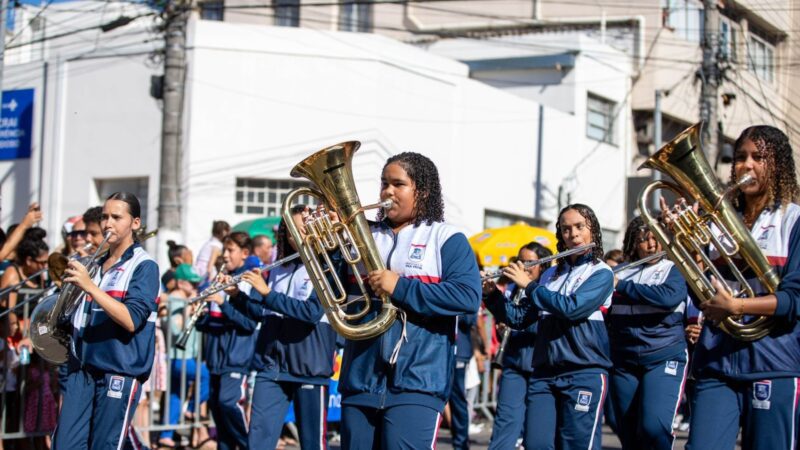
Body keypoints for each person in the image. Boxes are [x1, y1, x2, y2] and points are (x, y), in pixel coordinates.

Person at [660, 126, 800, 450]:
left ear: (777, 165)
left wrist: (738, 308)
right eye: (739, 157)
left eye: (758, 157)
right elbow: (702, 295)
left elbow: (795, 299)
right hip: (716, 359)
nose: (746, 165)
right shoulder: (715, 221)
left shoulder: (792, 220)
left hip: (773, 359)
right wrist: (688, 252)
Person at [332, 152, 481, 449]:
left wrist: (399, 287)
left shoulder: (446, 238)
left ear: (422, 192)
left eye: (398, 184)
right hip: (361, 377)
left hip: (418, 382)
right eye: (384, 183)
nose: (387, 191)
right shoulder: (361, 236)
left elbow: (467, 297)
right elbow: (336, 293)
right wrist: (331, 246)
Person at [486, 204, 614, 450]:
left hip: (583, 370)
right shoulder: (549, 275)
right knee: (537, 444)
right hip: (545, 373)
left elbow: (572, 308)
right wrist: (492, 297)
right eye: (566, 229)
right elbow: (519, 318)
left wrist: (529, 286)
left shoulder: (601, 273)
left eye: (579, 227)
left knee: (574, 445)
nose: (573, 234)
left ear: (593, 231)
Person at [51, 192, 160, 449]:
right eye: (104, 217)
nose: (107, 223)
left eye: (116, 217)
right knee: (64, 444)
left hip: (118, 369)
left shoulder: (144, 266)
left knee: (104, 445)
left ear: (135, 223)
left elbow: (132, 319)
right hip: (83, 369)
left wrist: (90, 288)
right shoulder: (94, 265)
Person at [237, 205, 337, 450]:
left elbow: (312, 313)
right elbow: (260, 313)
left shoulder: (327, 267)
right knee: (257, 440)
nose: (299, 237)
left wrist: (267, 293)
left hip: (309, 366)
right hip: (272, 366)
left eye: (304, 230)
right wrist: (234, 296)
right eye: (292, 231)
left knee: (313, 443)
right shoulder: (277, 268)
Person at [608, 216, 688, 450]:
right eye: (644, 240)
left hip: (663, 355)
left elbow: (667, 297)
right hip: (623, 358)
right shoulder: (620, 271)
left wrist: (621, 286)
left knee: (653, 427)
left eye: (657, 238)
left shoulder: (674, 268)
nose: (652, 245)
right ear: (633, 243)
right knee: (621, 424)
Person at [195, 231, 260, 450]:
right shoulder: (218, 278)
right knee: (217, 410)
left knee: (228, 402)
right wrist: (200, 316)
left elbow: (249, 323)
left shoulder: (248, 281)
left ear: (244, 253)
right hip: (215, 357)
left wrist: (223, 302)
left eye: (230, 250)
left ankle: (250, 445)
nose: (224, 255)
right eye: (223, 250)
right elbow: (212, 323)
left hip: (236, 356)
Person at [485, 242, 552, 450]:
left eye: (530, 262)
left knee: (536, 431)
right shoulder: (513, 288)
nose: (524, 266)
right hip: (514, 361)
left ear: (543, 265)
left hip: (540, 365)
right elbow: (511, 316)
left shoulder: (547, 287)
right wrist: (492, 295)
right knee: (505, 422)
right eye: (520, 261)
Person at [158, 263, 211, 449]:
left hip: (183, 356)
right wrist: (188, 312)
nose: (196, 287)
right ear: (181, 283)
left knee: (175, 395)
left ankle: (166, 434)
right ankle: (191, 410)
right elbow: (175, 329)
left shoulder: (187, 299)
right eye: (192, 284)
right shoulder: (175, 300)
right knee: (206, 376)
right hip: (180, 356)